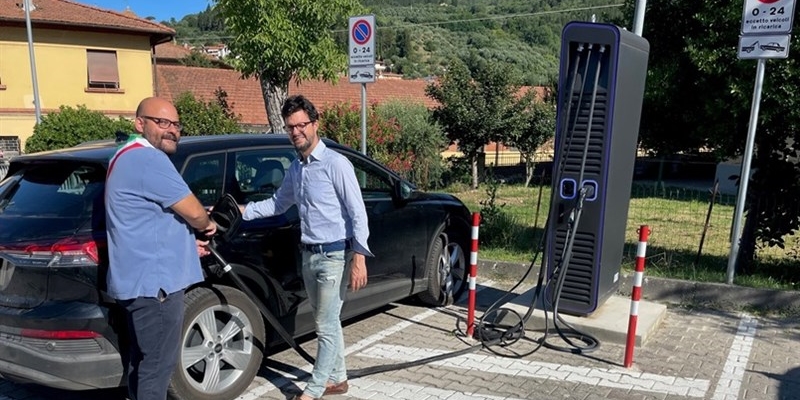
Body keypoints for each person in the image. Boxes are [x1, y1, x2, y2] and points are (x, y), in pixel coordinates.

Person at [241, 95, 372, 400]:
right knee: (325, 322)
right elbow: (277, 204)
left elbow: (357, 213)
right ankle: (337, 379)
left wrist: (360, 258)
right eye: (291, 127)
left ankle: (313, 390)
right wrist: (240, 210)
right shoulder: (296, 169)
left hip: (334, 256)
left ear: (315, 124)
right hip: (309, 254)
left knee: (325, 326)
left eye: (302, 124)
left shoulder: (336, 164)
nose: (296, 131)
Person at [105, 97, 217, 400]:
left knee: (141, 364)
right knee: (157, 368)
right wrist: (207, 226)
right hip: (157, 288)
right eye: (162, 122)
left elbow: (146, 221)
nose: (172, 130)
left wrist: (185, 243)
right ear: (140, 123)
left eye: (176, 124)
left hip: (136, 283)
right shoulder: (149, 159)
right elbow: (193, 211)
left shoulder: (121, 156)